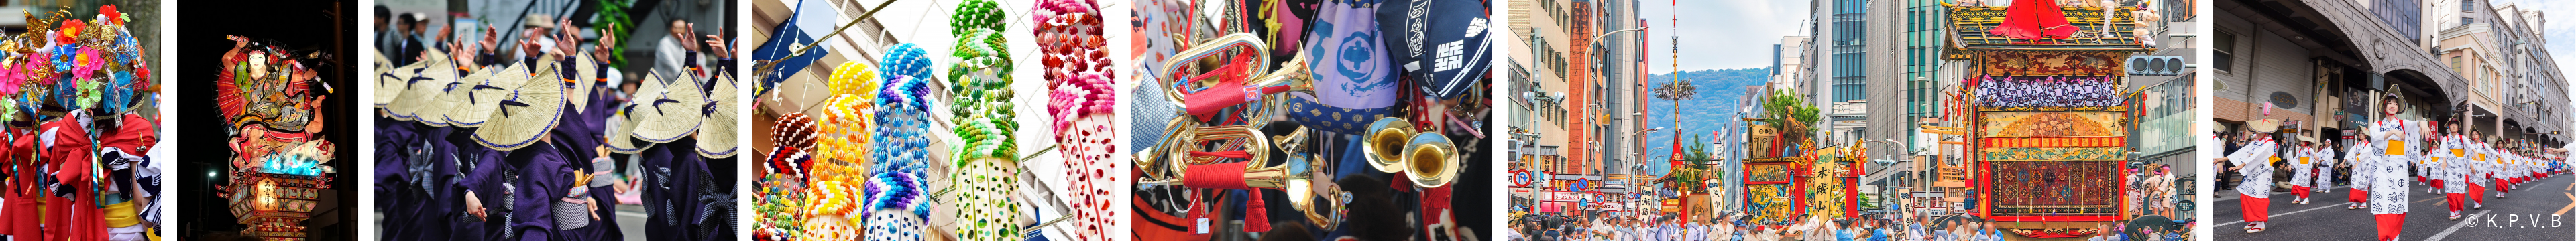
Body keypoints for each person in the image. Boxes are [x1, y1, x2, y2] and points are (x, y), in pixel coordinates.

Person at [2364, 93, 2421, 241]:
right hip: (2382, 166)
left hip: (2399, 168)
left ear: (2398, 108)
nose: (2392, 106)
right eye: (2390, 103)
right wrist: (2393, 132)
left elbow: (2415, 125)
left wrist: (2424, 123)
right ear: (2384, 107)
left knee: (2398, 201)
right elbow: (2376, 137)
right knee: (2381, 201)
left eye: (2395, 104)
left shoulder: (2403, 123)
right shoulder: (2378, 124)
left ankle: (2394, 235)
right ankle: (2385, 235)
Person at [2216, 118, 2282, 232]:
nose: (2257, 133)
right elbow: (2242, 151)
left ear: (2266, 132)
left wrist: (2243, 164)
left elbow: (2258, 155)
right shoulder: (2256, 142)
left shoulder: (2270, 143)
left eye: (2259, 131)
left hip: (2262, 174)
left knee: (2258, 197)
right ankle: (2254, 219)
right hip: (2252, 172)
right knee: (2246, 196)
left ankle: (2260, 222)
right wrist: (2223, 159)